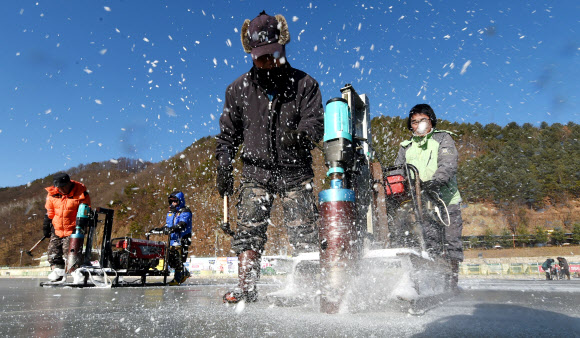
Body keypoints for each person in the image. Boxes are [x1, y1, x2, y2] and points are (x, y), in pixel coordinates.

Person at [215, 11, 324, 303]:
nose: (267, 62)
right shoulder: (237, 89)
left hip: (295, 170)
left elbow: (315, 123)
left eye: (272, 54)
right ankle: (246, 287)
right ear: (250, 53)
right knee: (249, 231)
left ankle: (311, 289)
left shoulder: (305, 84)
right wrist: (224, 164)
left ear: (283, 47)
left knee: (304, 232)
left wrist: (302, 136)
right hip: (256, 172)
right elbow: (227, 136)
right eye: (260, 56)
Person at [393, 104, 463, 289]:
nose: (418, 125)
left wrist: (436, 181)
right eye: (414, 122)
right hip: (422, 203)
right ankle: (434, 281)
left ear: (431, 121)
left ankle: (452, 280)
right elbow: (398, 171)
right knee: (429, 242)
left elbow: (448, 164)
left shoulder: (443, 139)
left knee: (451, 241)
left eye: (422, 120)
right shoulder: (406, 147)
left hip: (445, 201)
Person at [43, 173, 91, 282]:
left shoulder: (81, 194)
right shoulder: (52, 195)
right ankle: (58, 274)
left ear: (69, 183)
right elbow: (50, 212)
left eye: (63, 186)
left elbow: (85, 211)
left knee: (70, 253)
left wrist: (81, 227)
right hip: (57, 229)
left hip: (73, 229)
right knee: (53, 252)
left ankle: (78, 275)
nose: (61, 189)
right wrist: (46, 225)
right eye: (59, 187)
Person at [163, 191, 193, 286]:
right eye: (171, 202)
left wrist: (173, 228)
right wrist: (162, 228)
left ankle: (178, 278)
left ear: (180, 201)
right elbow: (168, 224)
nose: (173, 203)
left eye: (175, 201)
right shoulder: (171, 212)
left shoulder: (185, 211)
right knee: (171, 259)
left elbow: (182, 224)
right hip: (172, 239)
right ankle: (184, 272)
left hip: (182, 238)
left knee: (178, 259)